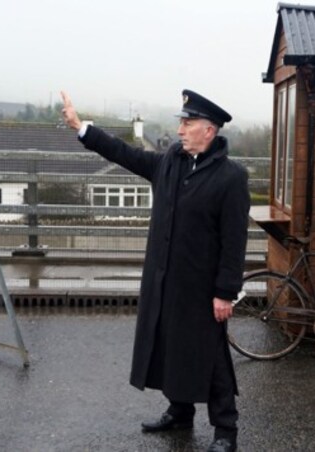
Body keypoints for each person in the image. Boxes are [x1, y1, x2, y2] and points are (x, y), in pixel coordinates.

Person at [61, 89, 249, 452]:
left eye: (188, 122)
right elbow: (125, 154)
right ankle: (180, 412)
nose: (180, 129)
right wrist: (81, 127)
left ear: (209, 130)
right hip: (164, 281)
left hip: (202, 288)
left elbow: (234, 240)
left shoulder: (230, 177)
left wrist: (226, 292)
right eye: (181, 121)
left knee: (211, 359)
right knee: (168, 346)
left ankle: (226, 431)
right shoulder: (170, 163)